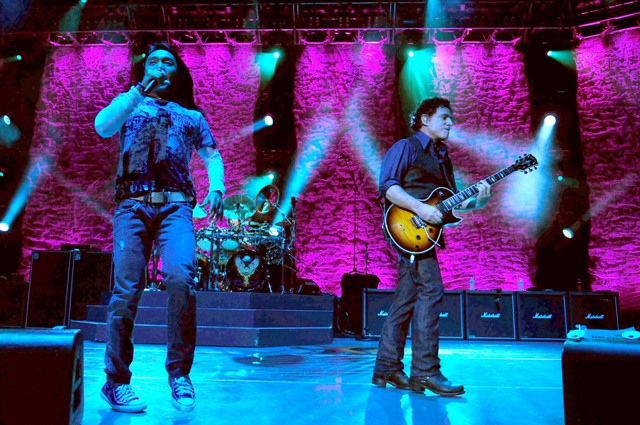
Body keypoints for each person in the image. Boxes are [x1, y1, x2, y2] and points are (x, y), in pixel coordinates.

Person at [94, 41, 225, 413]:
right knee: (126, 289)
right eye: (154, 62)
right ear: (145, 70)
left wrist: (216, 186)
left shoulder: (191, 116)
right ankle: (115, 382)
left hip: (176, 207)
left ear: (177, 74)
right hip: (132, 206)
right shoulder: (130, 103)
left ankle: (180, 375)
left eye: (168, 62)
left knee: (182, 279)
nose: (161, 67)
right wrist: (137, 91)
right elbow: (102, 126)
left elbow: (212, 155)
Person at [372, 97, 491, 396]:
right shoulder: (406, 147)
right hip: (406, 229)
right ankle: (425, 372)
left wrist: (479, 202)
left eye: (451, 118)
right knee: (432, 290)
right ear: (424, 119)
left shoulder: (442, 158)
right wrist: (421, 209)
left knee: (406, 299)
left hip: (425, 236)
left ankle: (386, 368)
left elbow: (450, 204)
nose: (450, 122)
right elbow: (388, 186)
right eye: (444, 117)